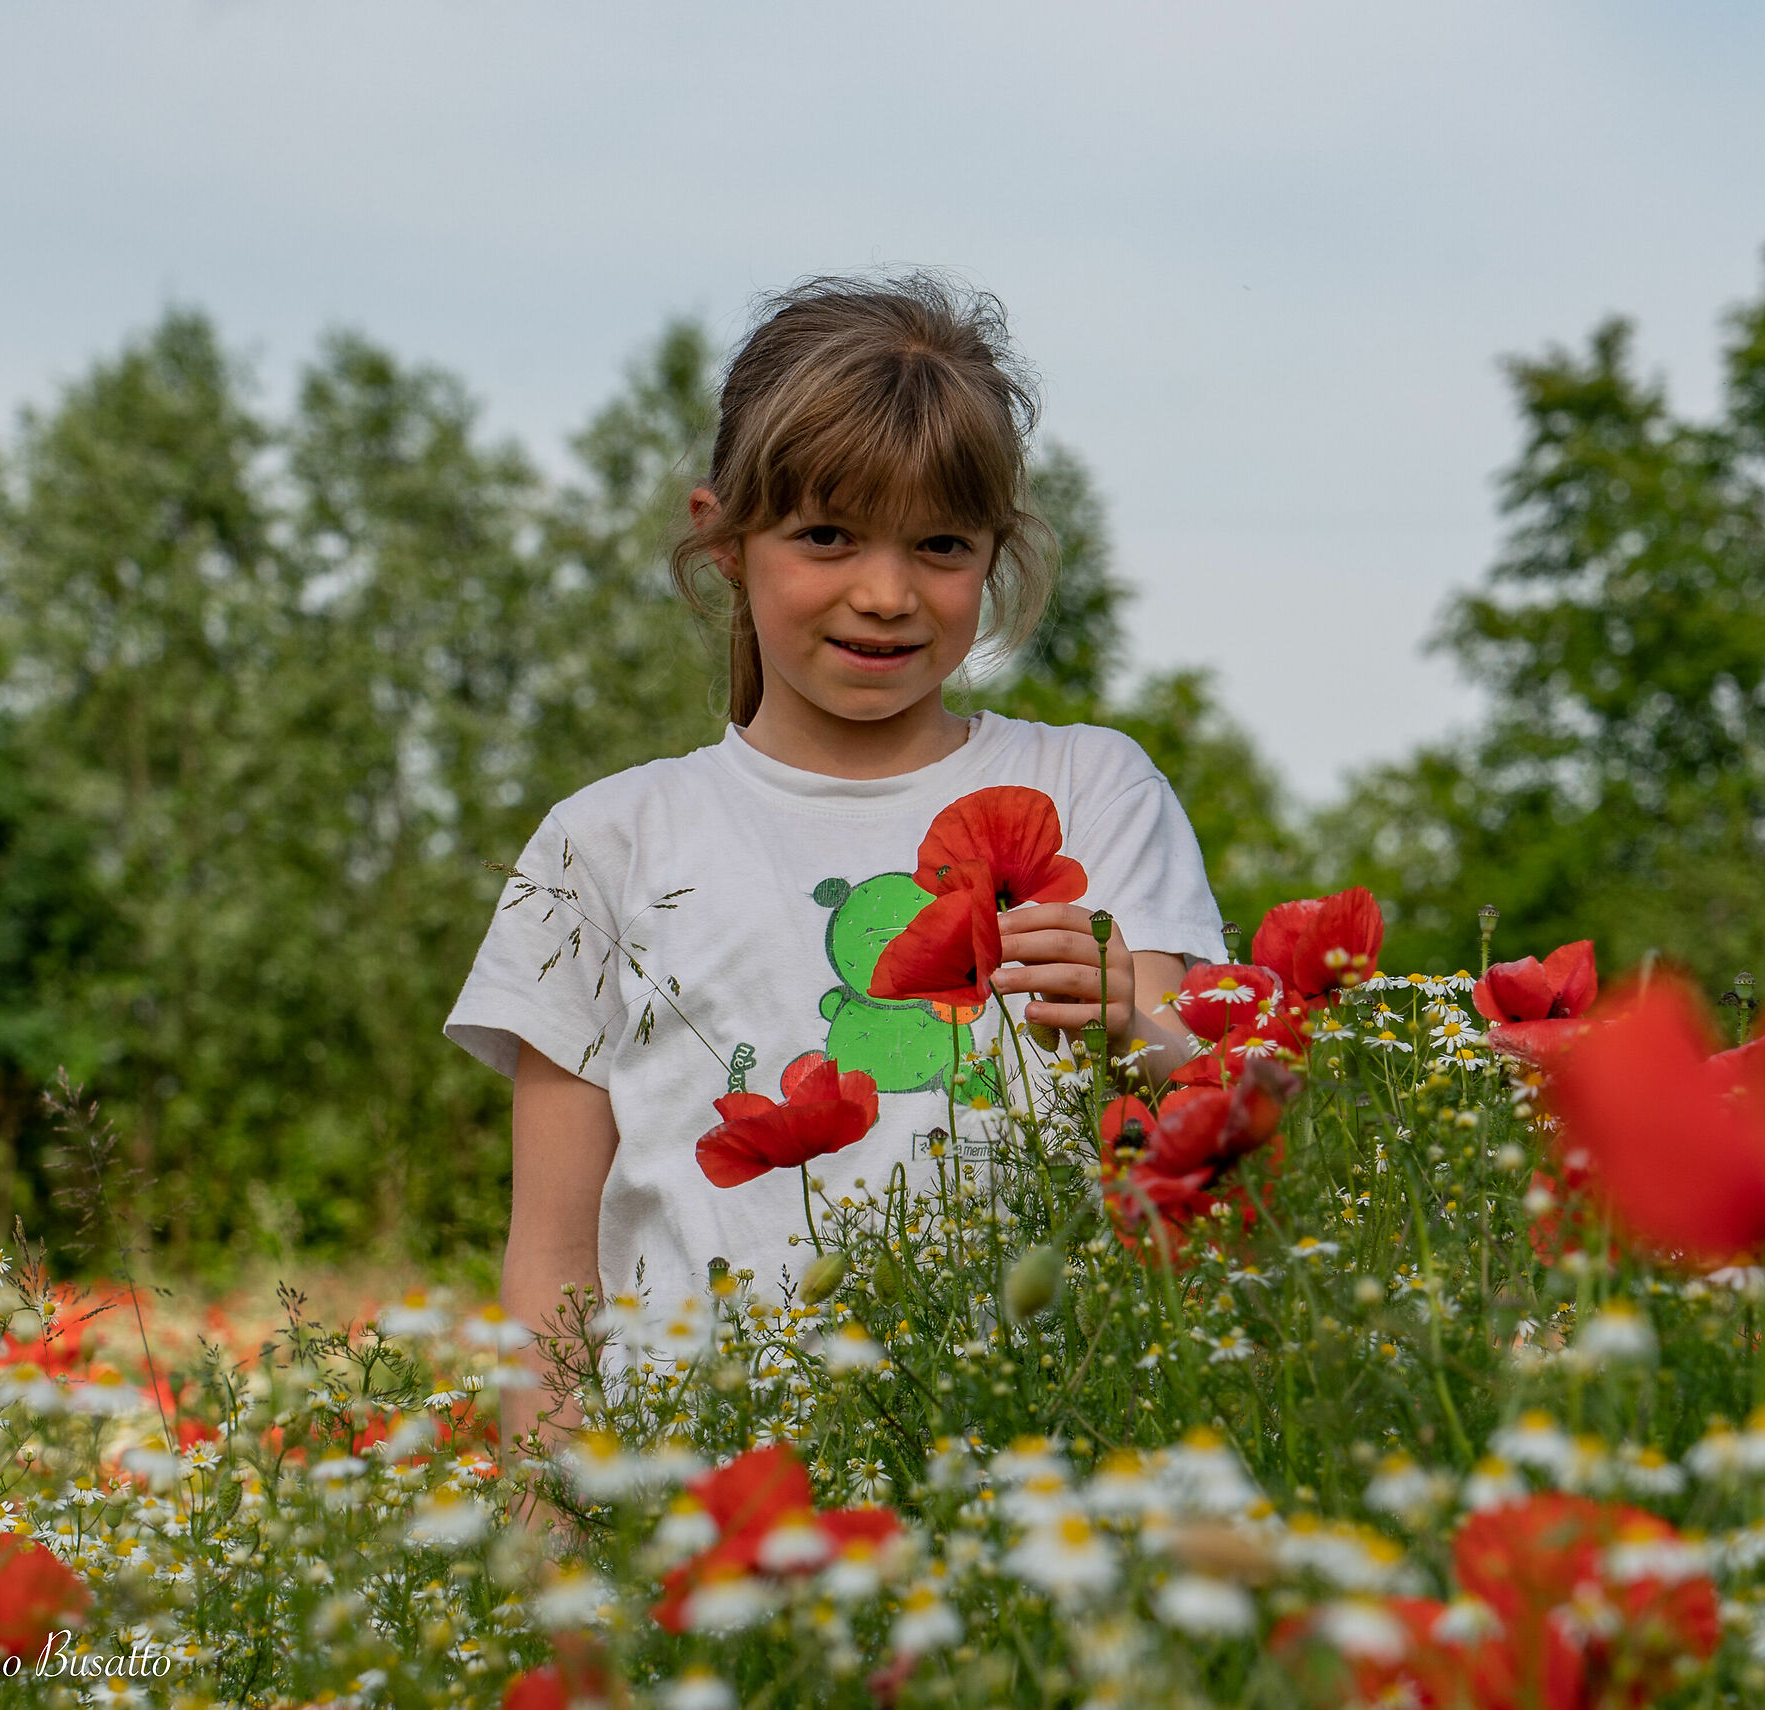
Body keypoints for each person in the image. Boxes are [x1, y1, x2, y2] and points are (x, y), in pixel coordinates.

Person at [444, 274, 1225, 1450]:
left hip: (1035, 1463)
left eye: (941, 545)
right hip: (695, 1488)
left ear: (996, 555)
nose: (885, 593)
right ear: (722, 535)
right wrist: (547, 1544)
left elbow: (1208, 1115)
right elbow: (553, 1259)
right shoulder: (605, 841)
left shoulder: (1094, 789)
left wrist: (1134, 1019)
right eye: (826, 535)